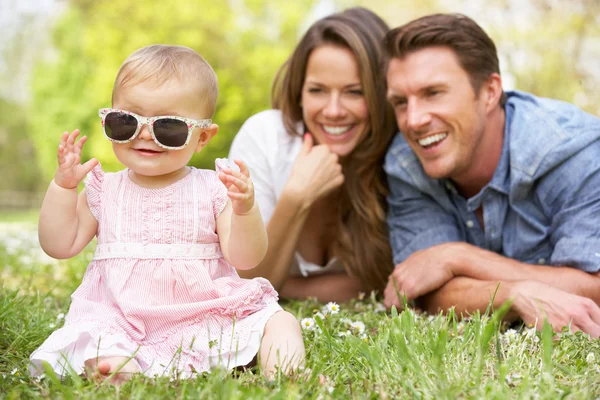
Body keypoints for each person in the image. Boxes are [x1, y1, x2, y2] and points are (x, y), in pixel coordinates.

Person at [29, 45, 305, 383]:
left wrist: (245, 209)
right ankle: (120, 371)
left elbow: (245, 257)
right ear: (108, 121)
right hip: (121, 316)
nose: (144, 134)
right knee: (103, 345)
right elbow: (59, 244)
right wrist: (63, 189)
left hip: (203, 312)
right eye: (125, 122)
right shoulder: (104, 189)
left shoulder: (214, 187)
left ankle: (286, 376)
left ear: (202, 137)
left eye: (169, 128)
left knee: (279, 321)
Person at [382, 13, 600, 336]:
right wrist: (514, 294)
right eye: (400, 102)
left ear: (489, 91)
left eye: (433, 93)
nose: (413, 121)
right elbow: (423, 289)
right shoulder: (405, 164)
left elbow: (593, 288)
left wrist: (456, 256)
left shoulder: (571, 150)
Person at [228, 7, 397, 302]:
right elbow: (246, 288)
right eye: (317, 90)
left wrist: (288, 288)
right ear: (299, 93)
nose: (333, 111)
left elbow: (397, 283)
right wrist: (296, 198)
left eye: (355, 92)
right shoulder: (266, 139)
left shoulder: (397, 157)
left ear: (382, 94)